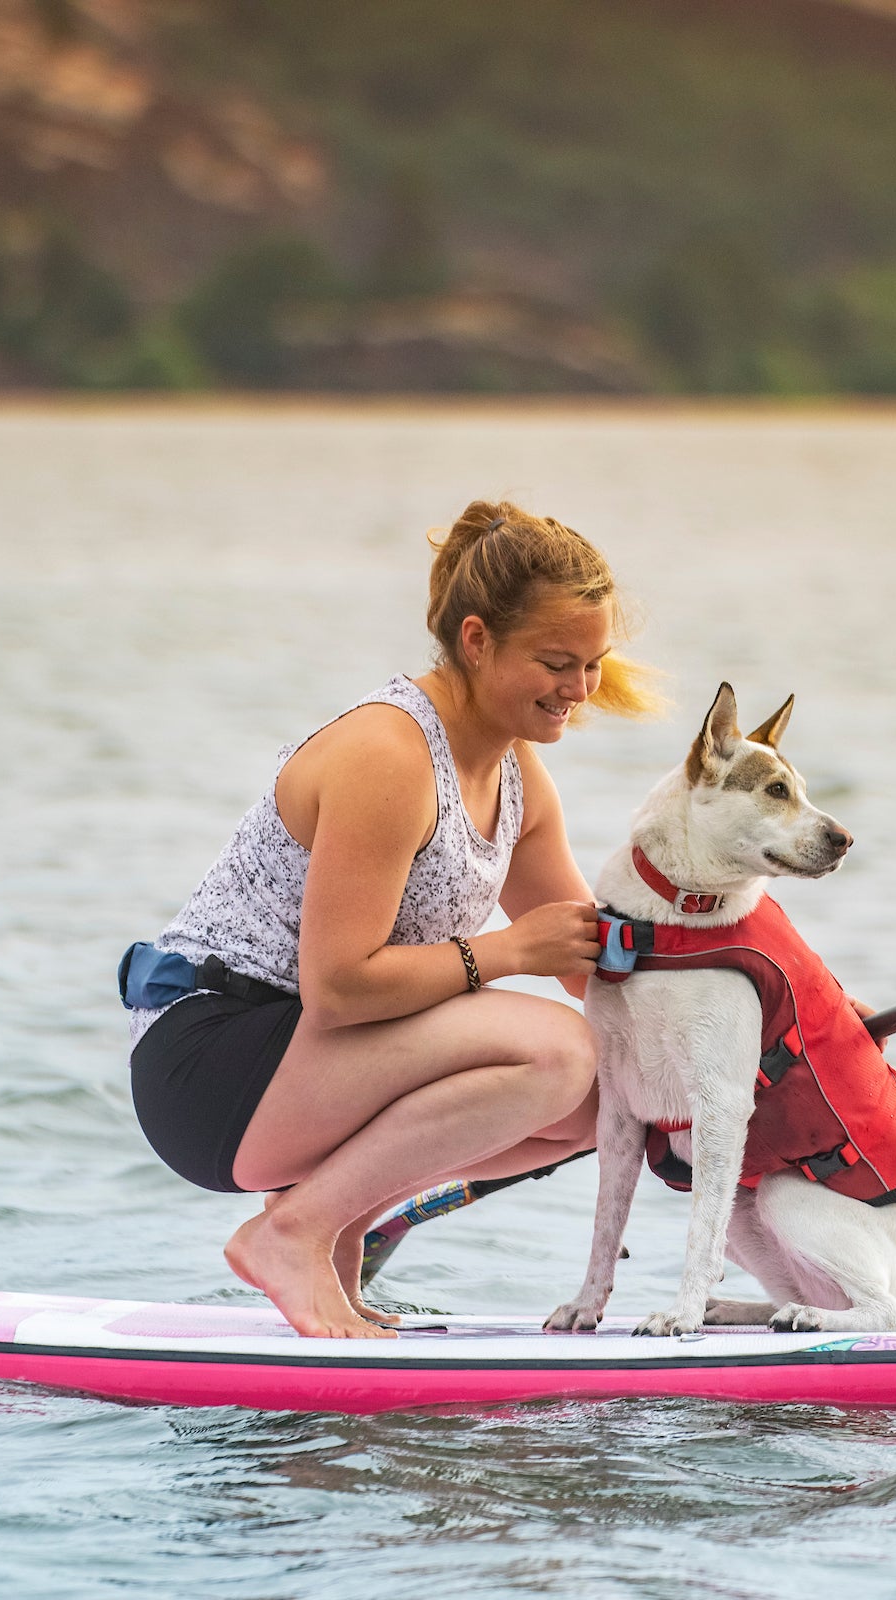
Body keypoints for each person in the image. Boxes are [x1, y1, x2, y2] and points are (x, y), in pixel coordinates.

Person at [125, 500, 659, 1337]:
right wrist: (508, 949)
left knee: (612, 1097)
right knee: (560, 1051)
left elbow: (591, 958)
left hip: (313, 1064)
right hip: (213, 1065)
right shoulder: (389, 753)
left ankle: (328, 1232)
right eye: (557, 662)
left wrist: (778, 1003)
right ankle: (293, 1233)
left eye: (593, 664)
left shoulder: (518, 777)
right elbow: (337, 988)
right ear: (477, 640)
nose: (580, 691)